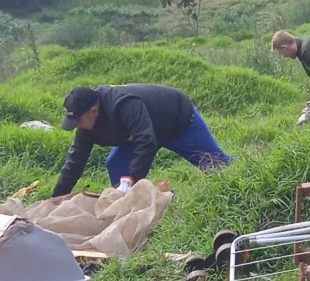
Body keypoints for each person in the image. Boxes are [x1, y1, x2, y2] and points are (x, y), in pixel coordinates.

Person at [52, 84, 232, 197]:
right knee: (116, 165)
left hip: (178, 122)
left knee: (217, 166)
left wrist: (132, 179)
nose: (78, 126)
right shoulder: (85, 127)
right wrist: (56, 199)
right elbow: (74, 162)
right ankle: (131, 206)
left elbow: (146, 143)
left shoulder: (123, 104)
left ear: (94, 110)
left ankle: (246, 189)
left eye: (79, 120)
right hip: (140, 134)